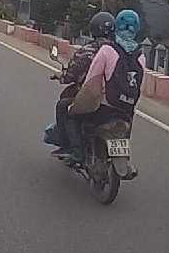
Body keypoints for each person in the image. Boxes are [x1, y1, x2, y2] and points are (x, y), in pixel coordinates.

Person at [65, 9, 146, 164]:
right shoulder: (140, 55)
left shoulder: (107, 50)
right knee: (126, 125)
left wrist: (81, 100)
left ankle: (77, 153)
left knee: (71, 115)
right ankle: (123, 156)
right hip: (126, 111)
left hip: (104, 108)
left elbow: (92, 79)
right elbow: (139, 86)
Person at [51, 11, 116, 155]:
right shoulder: (120, 51)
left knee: (65, 108)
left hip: (95, 98)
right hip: (117, 100)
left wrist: (63, 77)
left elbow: (72, 74)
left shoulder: (88, 50)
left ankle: (73, 149)